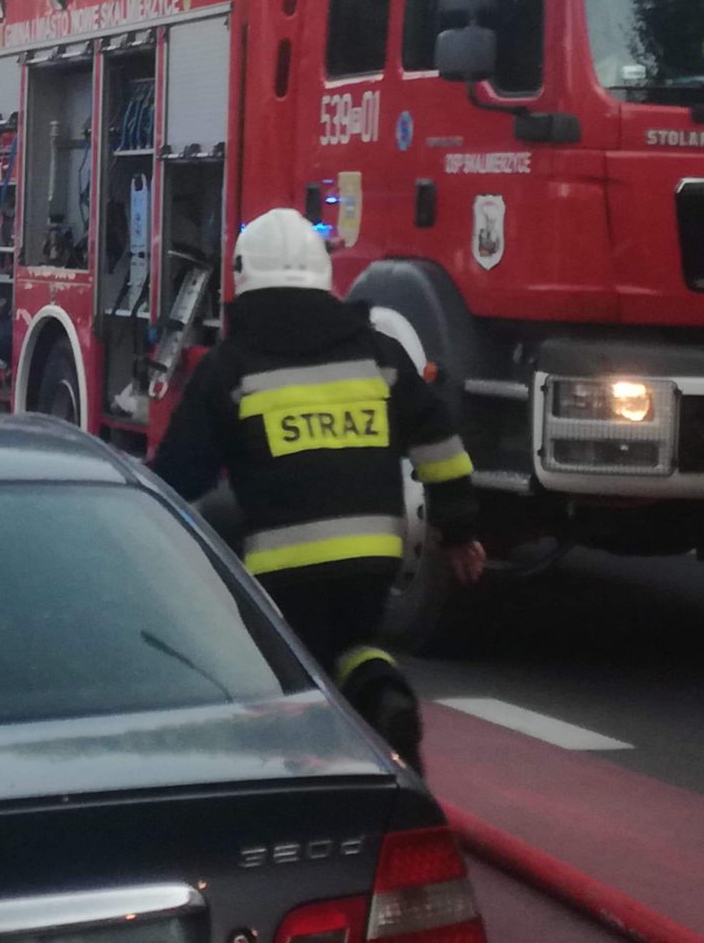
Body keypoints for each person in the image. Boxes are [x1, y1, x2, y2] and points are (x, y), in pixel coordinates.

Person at [150, 208, 484, 771]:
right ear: (323, 275)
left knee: (291, 665)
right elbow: (440, 444)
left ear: (242, 277)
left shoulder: (230, 368)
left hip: (281, 566)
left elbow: (184, 473)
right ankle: (383, 694)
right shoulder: (378, 354)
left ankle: (302, 770)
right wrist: (458, 530)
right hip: (374, 557)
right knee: (355, 644)